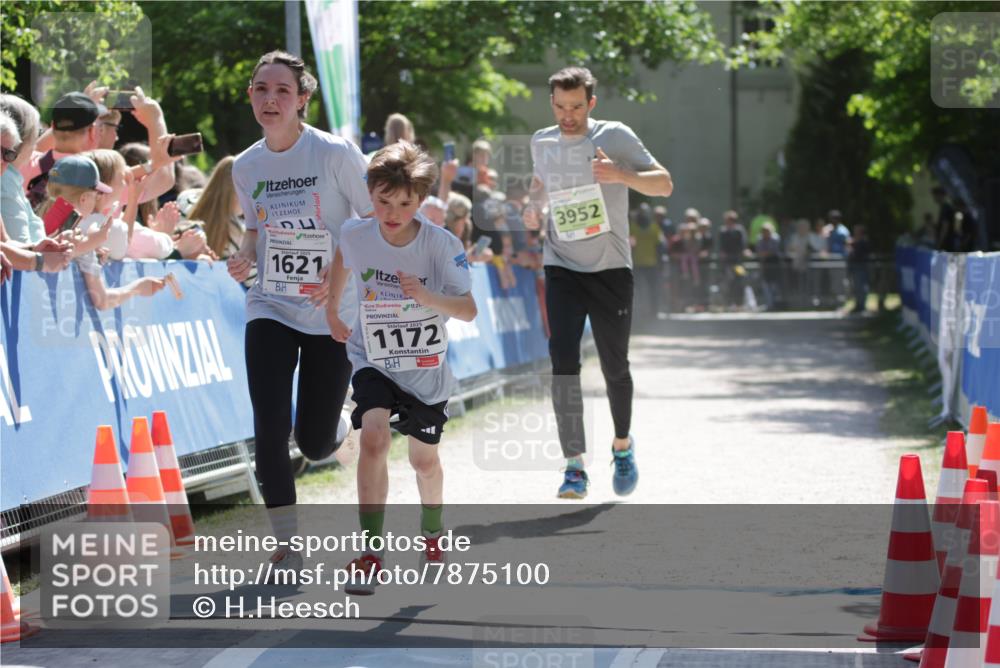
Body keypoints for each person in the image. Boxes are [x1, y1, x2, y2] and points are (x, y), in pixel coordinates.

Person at [226, 50, 373, 575]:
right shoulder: (245, 166)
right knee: (269, 423)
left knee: (312, 442)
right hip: (270, 302)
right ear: (250, 96)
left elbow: (374, 221)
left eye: (282, 91)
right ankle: (287, 546)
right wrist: (244, 255)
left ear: (302, 99)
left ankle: (338, 425)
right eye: (261, 89)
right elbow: (253, 228)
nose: (270, 99)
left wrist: (339, 274)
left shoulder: (334, 154)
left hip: (332, 310)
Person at [325, 141, 477, 592]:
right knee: (373, 439)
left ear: (422, 200)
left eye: (405, 204)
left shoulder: (440, 244)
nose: (392, 213)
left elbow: (468, 309)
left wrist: (427, 297)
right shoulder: (356, 233)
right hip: (372, 358)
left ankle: (432, 534)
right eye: (383, 201)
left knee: (423, 462)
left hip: (425, 369)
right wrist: (333, 308)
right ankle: (371, 554)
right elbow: (342, 256)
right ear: (370, 193)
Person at [529, 66, 672, 499]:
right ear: (551, 102)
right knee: (563, 361)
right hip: (561, 265)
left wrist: (621, 175)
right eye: (559, 106)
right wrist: (533, 208)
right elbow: (540, 184)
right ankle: (574, 465)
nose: (567, 115)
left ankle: (622, 446)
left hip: (610, 269)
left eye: (576, 107)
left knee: (614, 366)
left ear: (591, 103)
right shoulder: (542, 141)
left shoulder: (615, 136)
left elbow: (664, 184)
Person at [46, 155, 166, 309]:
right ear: (83, 199)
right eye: (97, 194)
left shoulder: (36, 223)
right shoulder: (85, 237)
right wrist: (138, 287)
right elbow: (102, 301)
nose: (99, 198)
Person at [847, 224, 870, 313]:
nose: (855, 232)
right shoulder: (854, 241)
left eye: (857, 230)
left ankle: (862, 305)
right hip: (854, 267)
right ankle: (858, 304)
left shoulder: (864, 242)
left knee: (861, 287)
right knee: (855, 287)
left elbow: (860, 254)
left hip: (861, 267)